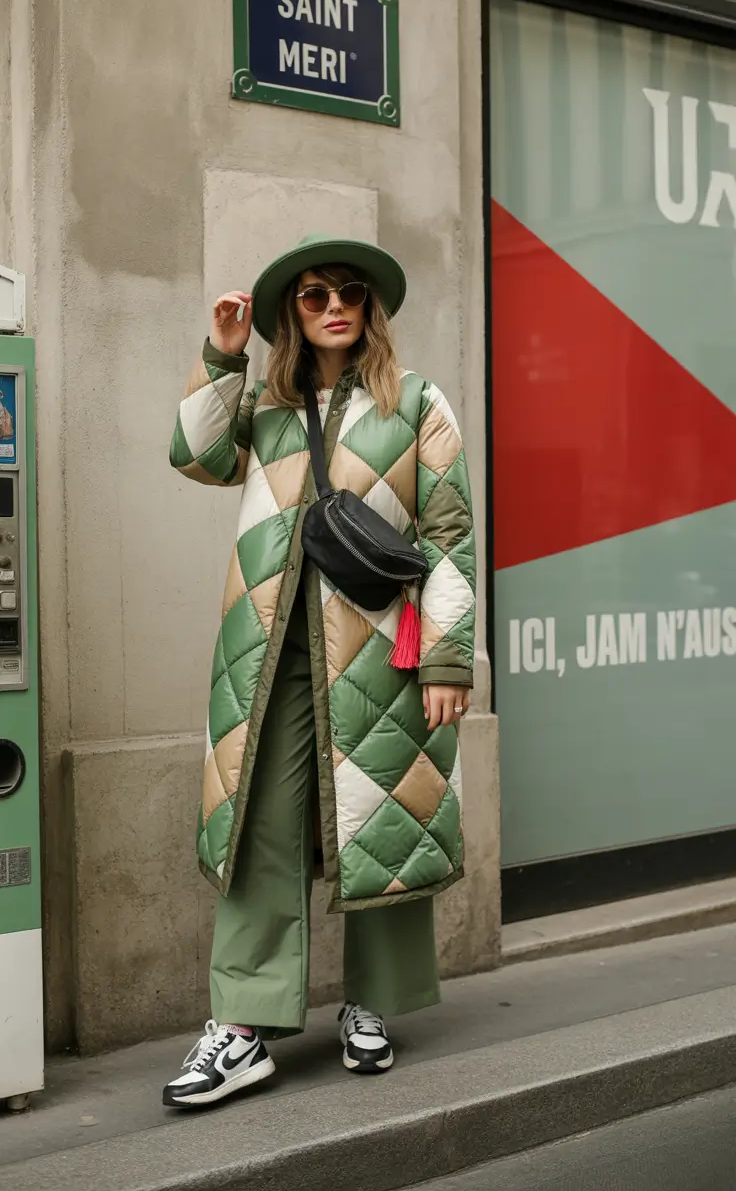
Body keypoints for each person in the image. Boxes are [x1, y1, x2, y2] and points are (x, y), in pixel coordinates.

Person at [164, 234, 475, 1109]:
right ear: (291, 317)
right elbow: (195, 456)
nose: (334, 304)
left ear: (370, 307)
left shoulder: (415, 401)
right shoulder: (267, 404)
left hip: (380, 649)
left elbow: (449, 534)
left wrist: (450, 659)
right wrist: (222, 357)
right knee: (260, 822)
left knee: (384, 816)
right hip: (270, 658)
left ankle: (372, 1000)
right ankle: (244, 1023)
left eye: (348, 291)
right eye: (312, 295)